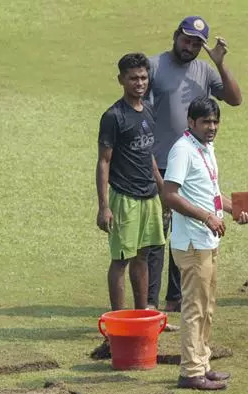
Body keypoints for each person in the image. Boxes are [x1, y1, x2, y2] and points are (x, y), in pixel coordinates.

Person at [145, 15, 243, 313]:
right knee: (156, 236)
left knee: (184, 231)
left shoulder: (204, 70)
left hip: (192, 165)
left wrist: (220, 63)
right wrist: (150, 166)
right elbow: (143, 118)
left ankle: (174, 298)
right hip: (159, 163)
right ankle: (150, 303)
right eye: (187, 40)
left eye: (197, 43)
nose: (190, 47)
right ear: (175, 36)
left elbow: (235, 99)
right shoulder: (154, 66)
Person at [161, 97, 248, 391]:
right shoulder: (182, 150)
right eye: (206, 122)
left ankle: (202, 364)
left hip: (208, 238)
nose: (212, 127)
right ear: (191, 122)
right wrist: (206, 218)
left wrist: (233, 210)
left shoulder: (205, 148)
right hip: (192, 242)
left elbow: (211, 193)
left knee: (207, 306)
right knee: (195, 307)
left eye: (215, 122)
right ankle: (190, 372)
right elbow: (170, 195)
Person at [96, 53, 164, 311]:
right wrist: (104, 206)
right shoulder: (113, 116)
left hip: (149, 197)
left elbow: (148, 156)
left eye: (144, 77)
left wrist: (162, 190)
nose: (139, 83)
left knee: (143, 255)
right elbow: (104, 162)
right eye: (133, 78)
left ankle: (142, 312)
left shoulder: (147, 109)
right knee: (121, 259)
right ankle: (119, 319)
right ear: (121, 80)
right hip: (124, 198)